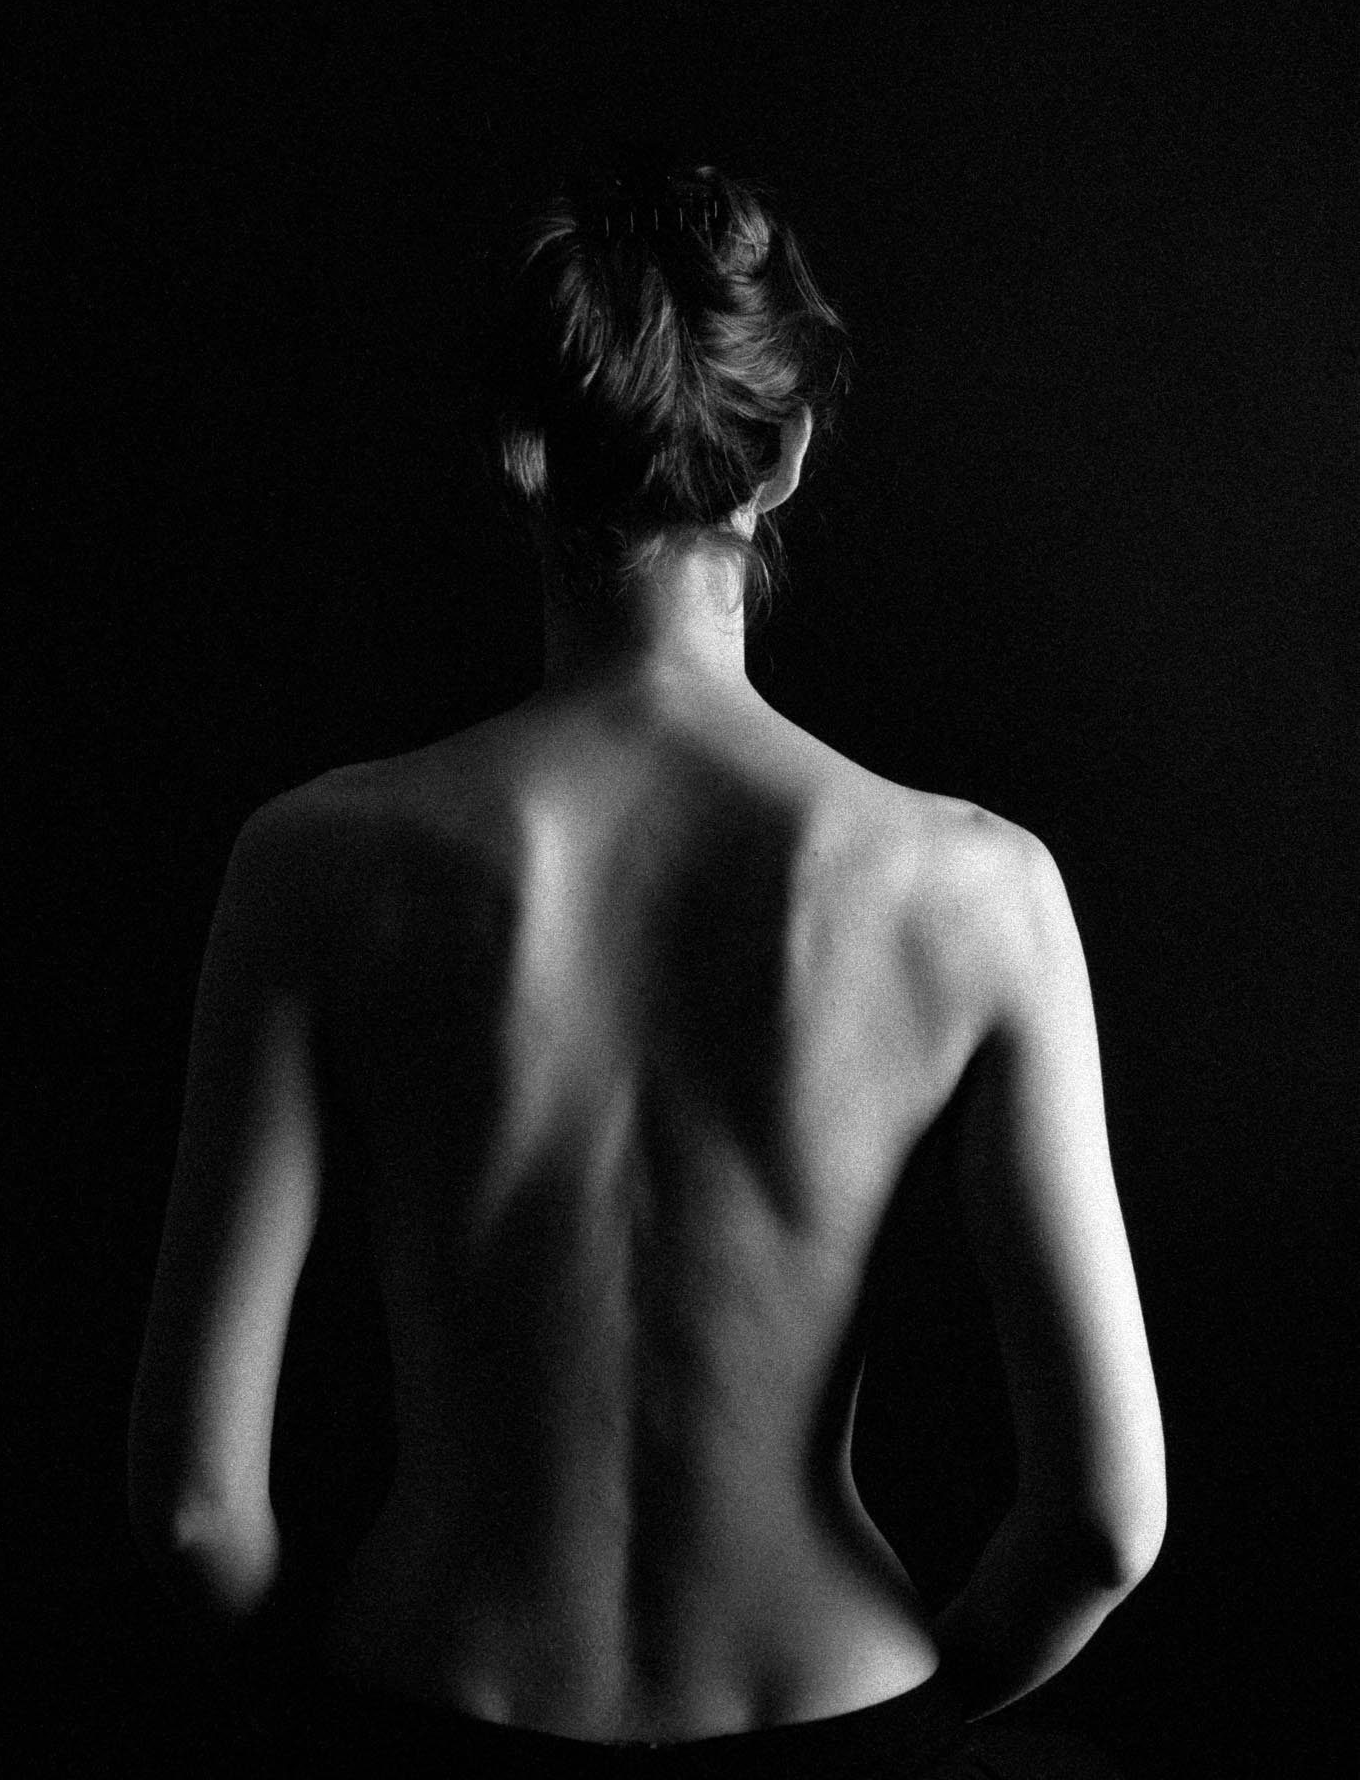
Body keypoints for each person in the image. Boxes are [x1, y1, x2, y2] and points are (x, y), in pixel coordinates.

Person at [128, 163, 1166, 1775]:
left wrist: (327, 1725)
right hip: (831, 1703)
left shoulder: (315, 866)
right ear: (789, 452)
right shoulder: (977, 892)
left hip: (433, 1701)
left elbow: (197, 1511)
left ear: (516, 454)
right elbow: (1103, 1523)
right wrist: (912, 1724)